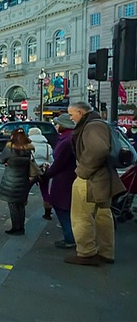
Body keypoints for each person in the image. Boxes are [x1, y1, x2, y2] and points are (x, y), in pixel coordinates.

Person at [66, 101, 125, 265]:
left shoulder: (92, 126)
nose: (71, 118)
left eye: (71, 115)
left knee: (81, 216)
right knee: (103, 215)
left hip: (90, 177)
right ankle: (106, 252)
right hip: (102, 177)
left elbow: (98, 149)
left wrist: (82, 171)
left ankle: (86, 252)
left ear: (80, 112)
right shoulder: (98, 123)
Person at [41, 114, 77, 249]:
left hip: (64, 179)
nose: (56, 126)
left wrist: (47, 174)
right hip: (67, 177)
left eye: (57, 123)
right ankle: (70, 236)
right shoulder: (69, 137)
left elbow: (59, 163)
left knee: (62, 208)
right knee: (66, 208)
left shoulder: (66, 140)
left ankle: (70, 238)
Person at [0, 128, 34, 235]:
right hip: (24, 179)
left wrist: (8, 161)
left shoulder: (10, 148)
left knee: (12, 205)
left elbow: (1, 159)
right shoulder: (28, 149)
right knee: (21, 205)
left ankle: (15, 227)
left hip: (11, 180)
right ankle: (21, 227)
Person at [28, 127, 54, 220]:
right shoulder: (47, 146)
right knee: (45, 192)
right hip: (44, 170)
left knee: (25, 191)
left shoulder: (29, 145)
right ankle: (47, 213)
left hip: (32, 171)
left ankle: (20, 213)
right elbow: (51, 160)